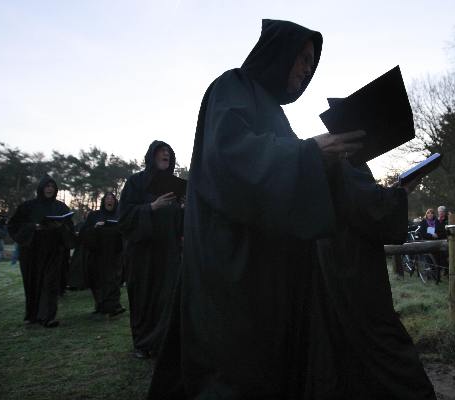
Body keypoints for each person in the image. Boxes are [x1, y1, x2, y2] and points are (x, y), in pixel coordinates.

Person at [148, 19, 368, 399]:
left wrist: (331, 164)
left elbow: (290, 182)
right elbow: (230, 156)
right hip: (233, 265)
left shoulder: (275, 113)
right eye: (301, 58)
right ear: (276, 52)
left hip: (272, 274)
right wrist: (310, 153)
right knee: (235, 372)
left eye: (311, 64)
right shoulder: (231, 86)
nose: (306, 70)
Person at [310, 163, 436, 398]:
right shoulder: (346, 163)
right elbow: (370, 209)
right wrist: (401, 192)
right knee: (379, 337)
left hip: (335, 256)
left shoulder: (330, 164)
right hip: (352, 262)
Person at [118, 140, 183, 359]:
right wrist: (151, 207)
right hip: (142, 253)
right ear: (151, 156)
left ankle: (163, 341)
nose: (166, 154)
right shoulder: (136, 182)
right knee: (144, 297)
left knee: (167, 297)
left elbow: (180, 223)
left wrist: (183, 209)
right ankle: (143, 343)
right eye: (161, 151)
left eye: (168, 152)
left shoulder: (175, 186)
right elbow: (124, 217)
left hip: (169, 252)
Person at [7, 175, 75, 327]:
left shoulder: (61, 207)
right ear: (41, 188)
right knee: (33, 283)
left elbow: (69, 227)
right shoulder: (28, 206)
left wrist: (60, 227)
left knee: (50, 284)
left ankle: (48, 317)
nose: (49, 189)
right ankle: (33, 315)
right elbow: (14, 225)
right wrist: (33, 227)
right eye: (47, 186)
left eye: (52, 186)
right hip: (32, 251)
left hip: (53, 251)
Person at [80, 193, 125, 315]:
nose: (109, 200)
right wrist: (95, 227)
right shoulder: (94, 215)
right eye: (107, 198)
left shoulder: (120, 215)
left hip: (115, 253)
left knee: (113, 279)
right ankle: (100, 304)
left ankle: (114, 305)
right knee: (97, 279)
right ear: (103, 201)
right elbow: (84, 232)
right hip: (97, 253)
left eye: (112, 198)